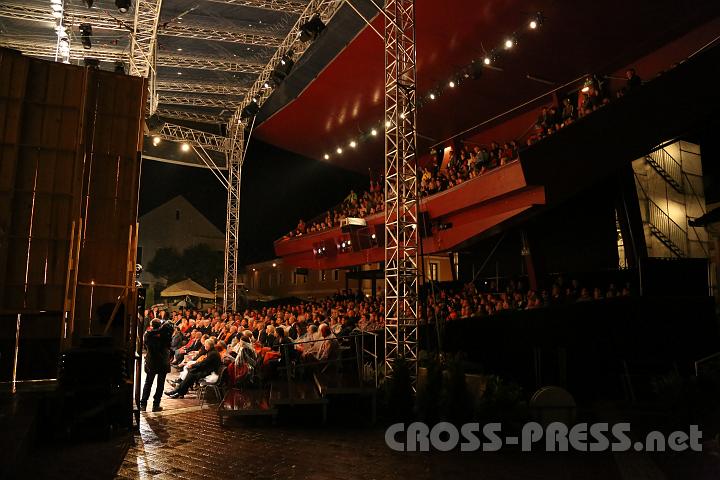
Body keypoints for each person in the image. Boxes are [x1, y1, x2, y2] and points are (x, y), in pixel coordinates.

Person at [140, 318, 173, 412]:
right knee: (160, 384)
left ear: (151, 325)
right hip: (162, 361)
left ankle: (143, 404)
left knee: (148, 383)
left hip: (152, 361)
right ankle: (155, 405)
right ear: (160, 325)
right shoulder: (165, 334)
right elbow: (169, 340)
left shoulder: (148, 334)